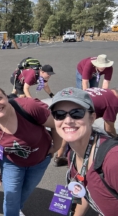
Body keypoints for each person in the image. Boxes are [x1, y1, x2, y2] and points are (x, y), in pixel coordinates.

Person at [0, 84, 62, 216]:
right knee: (11, 196)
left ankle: (16, 209)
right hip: (12, 162)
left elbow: (56, 125)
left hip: (39, 161)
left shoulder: (29, 107)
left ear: (6, 97)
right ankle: (13, 211)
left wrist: (56, 147)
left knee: (26, 190)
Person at [49, 87, 118, 216]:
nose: (68, 121)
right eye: (59, 114)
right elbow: (82, 191)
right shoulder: (72, 154)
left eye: (77, 113)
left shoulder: (113, 160)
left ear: (92, 118)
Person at [54, 87, 118, 166]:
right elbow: (109, 129)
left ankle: (59, 156)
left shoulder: (106, 91)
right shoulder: (113, 103)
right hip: (80, 111)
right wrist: (116, 137)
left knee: (67, 128)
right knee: (77, 131)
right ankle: (79, 158)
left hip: (75, 102)